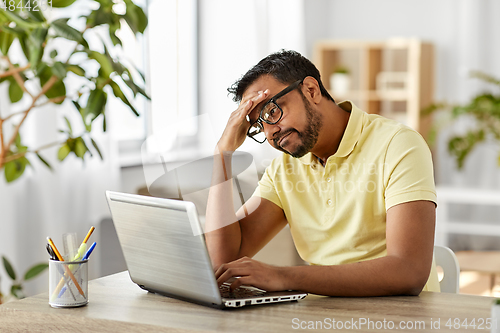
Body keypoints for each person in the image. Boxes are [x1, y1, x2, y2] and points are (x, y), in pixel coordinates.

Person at [205, 50, 439, 296]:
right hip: (320, 317)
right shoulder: (283, 170)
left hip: (399, 320)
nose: (270, 132)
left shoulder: (398, 144)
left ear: (311, 90)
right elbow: (222, 261)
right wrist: (223, 154)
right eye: (259, 125)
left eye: (272, 111)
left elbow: (409, 271)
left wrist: (282, 276)